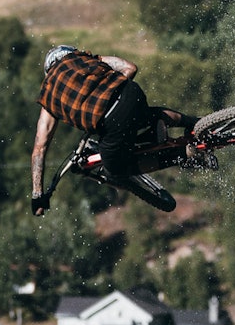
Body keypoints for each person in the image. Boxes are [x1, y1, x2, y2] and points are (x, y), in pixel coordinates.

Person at [30, 45, 199, 216]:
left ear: (48, 71)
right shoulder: (83, 59)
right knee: (147, 115)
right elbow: (130, 68)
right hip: (131, 94)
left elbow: (39, 148)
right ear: (69, 53)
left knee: (115, 170)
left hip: (111, 120)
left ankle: (183, 155)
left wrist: (37, 194)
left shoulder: (49, 94)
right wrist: (112, 93)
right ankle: (197, 123)